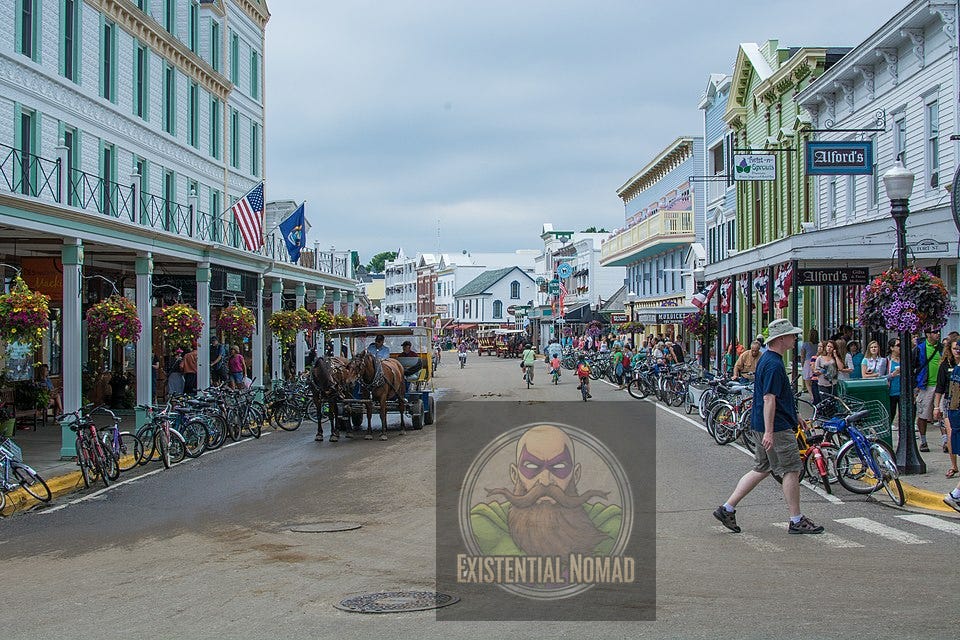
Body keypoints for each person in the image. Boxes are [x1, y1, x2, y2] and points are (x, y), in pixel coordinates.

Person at [714, 318, 823, 535]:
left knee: (762, 467)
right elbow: (769, 399)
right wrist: (771, 432)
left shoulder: (767, 360)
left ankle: (727, 508)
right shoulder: (773, 364)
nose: (795, 339)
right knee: (792, 468)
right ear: (781, 339)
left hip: (764, 423)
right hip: (776, 428)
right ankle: (796, 519)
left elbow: (778, 397)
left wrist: (796, 415)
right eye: (792, 335)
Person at [933, 337, 960, 478]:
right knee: (951, 434)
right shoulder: (945, 365)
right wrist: (936, 407)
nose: (957, 351)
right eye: (954, 348)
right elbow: (940, 387)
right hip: (950, 402)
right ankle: (954, 465)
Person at [914, 328, 943, 452]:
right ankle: (924, 441)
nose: (937, 334)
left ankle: (945, 440)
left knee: (942, 414)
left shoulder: (942, 348)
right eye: (935, 332)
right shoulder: (919, 349)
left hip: (941, 386)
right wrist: (915, 386)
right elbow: (912, 366)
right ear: (927, 334)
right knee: (923, 415)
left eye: (938, 332)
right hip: (925, 385)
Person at [886, 338, 901, 427]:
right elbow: (881, 376)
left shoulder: (904, 360)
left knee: (903, 415)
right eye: (898, 345)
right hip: (891, 391)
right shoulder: (887, 361)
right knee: (891, 413)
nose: (900, 348)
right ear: (892, 348)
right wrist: (892, 374)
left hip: (902, 391)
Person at [800, 329, 819, 397]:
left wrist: (802, 364)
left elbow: (802, 356)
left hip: (808, 363)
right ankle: (816, 394)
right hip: (816, 362)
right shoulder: (818, 344)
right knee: (815, 380)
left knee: (807, 382)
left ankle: (811, 395)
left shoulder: (805, 344)